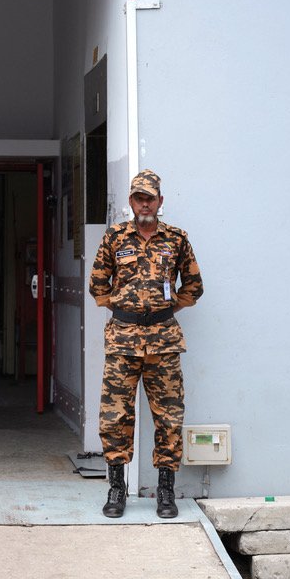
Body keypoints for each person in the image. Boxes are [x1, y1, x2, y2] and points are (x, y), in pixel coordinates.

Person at [88, 169, 203, 519]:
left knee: (168, 416)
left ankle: (165, 489)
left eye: (150, 198)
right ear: (131, 201)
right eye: (139, 197)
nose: (144, 204)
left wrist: (166, 308)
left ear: (160, 202)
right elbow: (97, 285)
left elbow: (194, 286)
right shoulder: (115, 238)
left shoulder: (176, 239)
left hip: (163, 341)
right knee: (115, 416)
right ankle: (116, 487)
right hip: (122, 341)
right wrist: (123, 308)